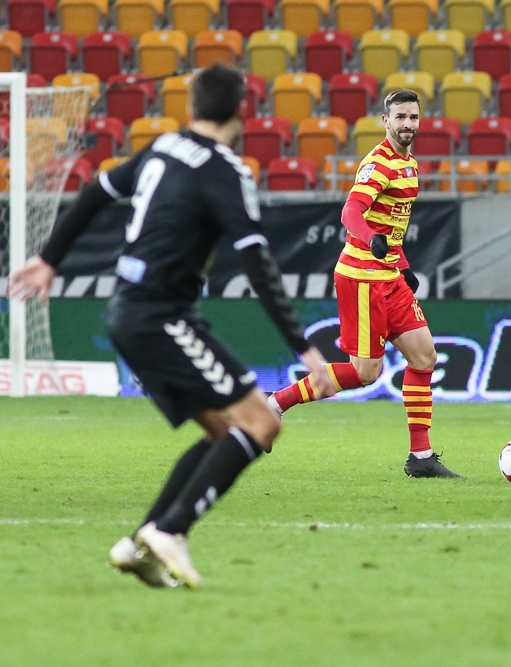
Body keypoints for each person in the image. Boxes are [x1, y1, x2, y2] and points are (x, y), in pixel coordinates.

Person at [7, 63, 336, 589]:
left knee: (223, 432)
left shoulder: (162, 146)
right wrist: (305, 347)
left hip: (127, 311)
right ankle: (172, 530)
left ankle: (139, 541)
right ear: (242, 111)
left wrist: (49, 259)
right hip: (161, 316)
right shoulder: (227, 171)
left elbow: (93, 192)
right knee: (261, 424)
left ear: (190, 107)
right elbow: (257, 263)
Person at [266, 89, 460, 479]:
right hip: (362, 279)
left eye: (413, 117)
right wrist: (370, 239)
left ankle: (421, 457)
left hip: (389, 276)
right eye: (400, 117)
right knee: (365, 373)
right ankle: (275, 404)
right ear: (385, 121)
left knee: (424, 357)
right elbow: (351, 210)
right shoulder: (379, 163)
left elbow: (394, 225)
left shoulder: (410, 165)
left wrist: (402, 265)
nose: (407, 124)